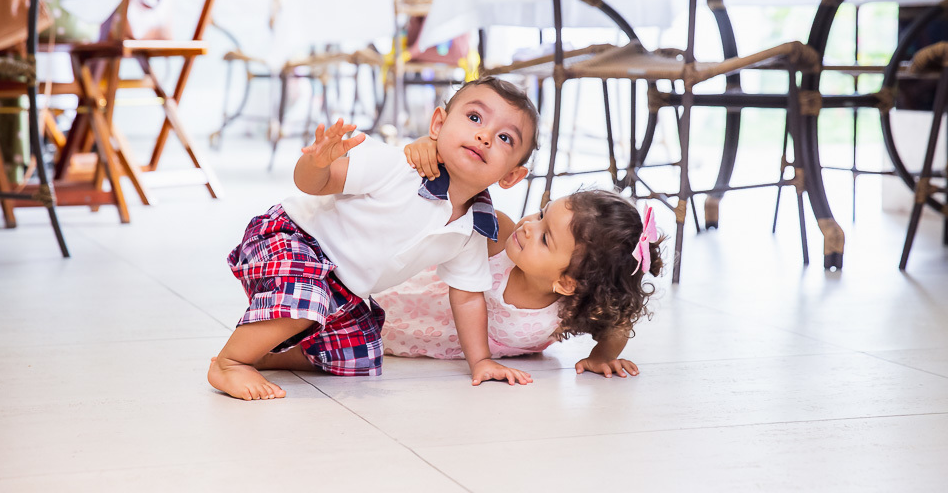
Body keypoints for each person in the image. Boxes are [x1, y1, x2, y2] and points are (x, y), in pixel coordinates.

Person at [208, 77, 541, 400]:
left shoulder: (473, 229)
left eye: (505, 138)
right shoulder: (398, 166)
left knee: (360, 356)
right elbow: (315, 184)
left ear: (511, 175)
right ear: (438, 124)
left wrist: (480, 360)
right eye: (474, 118)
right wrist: (317, 162)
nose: (484, 136)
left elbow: (467, 297)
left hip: (343, 285)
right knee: (306, 301)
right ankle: (230, 362)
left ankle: (266, 351)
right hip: (291, 237)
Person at [382, 139, 662, 376]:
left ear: (566, 283)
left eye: (544, 238)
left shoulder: (567, 310)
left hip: (413, 340)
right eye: (542, 214)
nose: (528, 226)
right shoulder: (498, 234)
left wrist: (602, 356)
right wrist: (432, 152)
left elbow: (618, 324)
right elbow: (455, 193)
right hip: (395, 295)